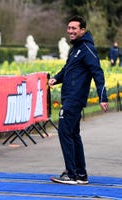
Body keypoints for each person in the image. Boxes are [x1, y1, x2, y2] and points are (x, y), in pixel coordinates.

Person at [48, 15, 109, 185]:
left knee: (64, 132)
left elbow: (98, 72)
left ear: (83, 30)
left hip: (74, 98)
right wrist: (55, 78)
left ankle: (71, 174)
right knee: (73, 134)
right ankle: (81, 175)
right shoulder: (76, 49)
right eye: (69, 28)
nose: (70, 31)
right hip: (69, 97)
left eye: (74, 28)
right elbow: (68, 69)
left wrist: (102, 97)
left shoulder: (87, 49)